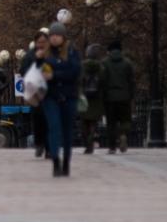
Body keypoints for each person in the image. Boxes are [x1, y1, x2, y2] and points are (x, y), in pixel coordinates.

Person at [41, 22, 81, 177]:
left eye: (57, 35)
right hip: (50, 97)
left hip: (69, 96)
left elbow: (75, 71)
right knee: (54, 127)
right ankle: (56, 160)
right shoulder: (45, 54)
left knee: (67, 130)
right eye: (52, 35)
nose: (54, 38)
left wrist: (55, 75)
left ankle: (66, 162)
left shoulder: (71, 52)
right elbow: (41, 71)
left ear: (63, 37)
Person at [20, 30, 50, 158]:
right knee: (38, 119)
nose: (42, 44)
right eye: (39, 42)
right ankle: (39, 144)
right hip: (36, 93)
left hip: (50, 92)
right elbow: (23, 71)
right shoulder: (29, 56)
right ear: (36, 42)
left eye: (44, 42)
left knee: (49, 120)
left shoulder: (51, 55)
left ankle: (49, 148)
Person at [101, 41, 136, 154]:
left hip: (110, 98)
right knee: (125, 120)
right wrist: (131, 94)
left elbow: (102, 80)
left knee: (111, 123)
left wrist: (103, 95)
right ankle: (123, 134)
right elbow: (132, 81)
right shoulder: (127, 63)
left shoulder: (104, 63)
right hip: (124, 97)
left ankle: (112, 147)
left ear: (109, 51)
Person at [79, 44, 106, 154]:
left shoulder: (81, 66)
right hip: (96, 98)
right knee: (93, 122)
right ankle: (92, 135)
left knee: (84, 121)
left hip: (83, 97)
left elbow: (78, 80)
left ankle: (87, 143)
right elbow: (104, 82)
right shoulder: (101, 67)